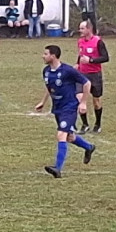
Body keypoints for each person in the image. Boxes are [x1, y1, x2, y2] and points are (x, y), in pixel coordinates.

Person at [35, 45, 95, 178]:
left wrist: (83, 102)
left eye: (45, 54)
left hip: (70, 107)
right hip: (58, 108)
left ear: (53, 56)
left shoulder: (68, 70)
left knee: (61, 135)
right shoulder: (46, 71)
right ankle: (89, 147)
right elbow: (50, 88)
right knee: (69, 137)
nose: (43, 56)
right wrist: (43, 102)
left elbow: (87, 83)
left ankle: (57, 168)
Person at [75, 20, 108, 134]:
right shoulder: (80, 41)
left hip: (95, 75)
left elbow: (105, 57)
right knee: (79, 98)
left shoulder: (98, 41)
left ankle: (98, 124)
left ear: (89, 29)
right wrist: (77, 64)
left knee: (96, 101)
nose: (80, 31)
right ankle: (85, 124)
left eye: (82, 28)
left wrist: (91, 60)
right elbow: (81, 55)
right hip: (82, 74)